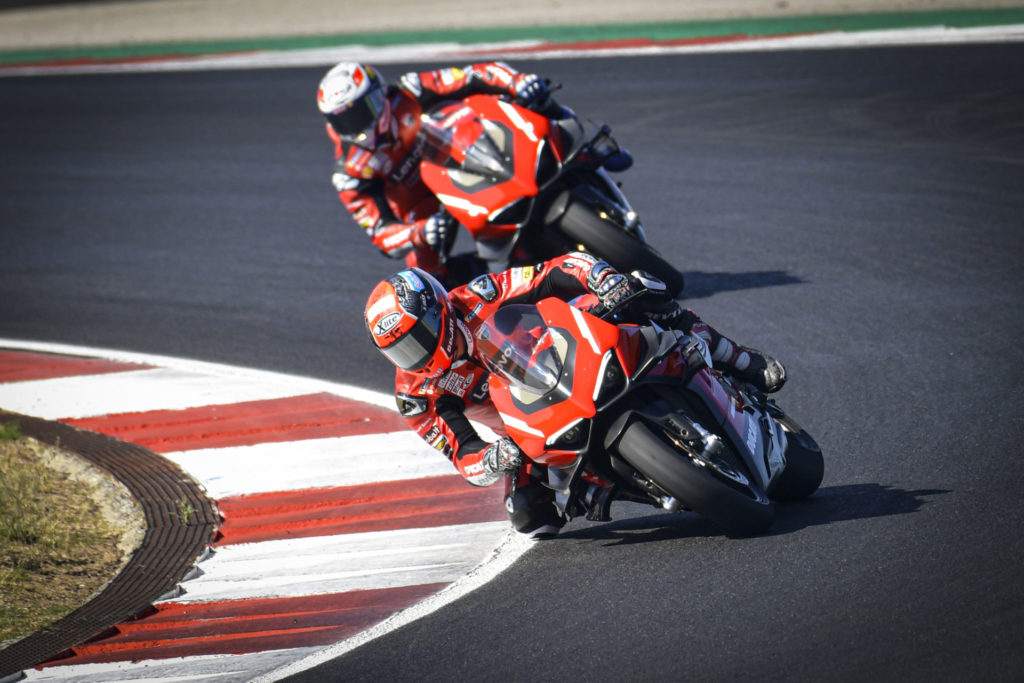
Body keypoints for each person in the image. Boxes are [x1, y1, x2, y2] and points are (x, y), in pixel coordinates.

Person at [363, 253, 785, 537]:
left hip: (563, 354)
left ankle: (737, 357)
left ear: (438, 307)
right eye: (400, 349)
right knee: (531, 518)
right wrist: (493, 458)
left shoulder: (478, 297)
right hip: (527, 425)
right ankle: (633, 485)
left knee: (642, 291)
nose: (414, 355)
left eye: (417, 337)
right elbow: (462, 454)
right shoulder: (416, 393)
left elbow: (556, 269)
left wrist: (603, 281)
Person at [316, 61, 631, 288]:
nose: (357, 126)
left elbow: (473, 75)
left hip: (460, 147)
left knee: (533, 98)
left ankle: (592, 145)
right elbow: (379, 232)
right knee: (425, 281)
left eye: (361, 111)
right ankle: (495, 294)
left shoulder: (411, 89)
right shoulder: (350, 172)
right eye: (344, 121)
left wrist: (518, 81)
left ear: (378, 94)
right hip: (425, 208)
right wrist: (419, 233)